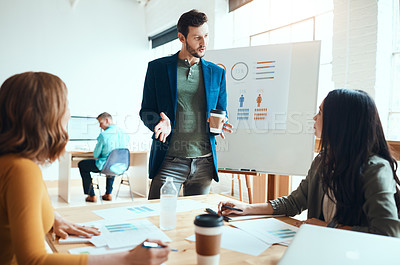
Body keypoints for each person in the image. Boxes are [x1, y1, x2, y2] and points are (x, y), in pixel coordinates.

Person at [0, 72, 170, 265]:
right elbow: (33, 261)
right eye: (65, 104)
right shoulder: (22, 170)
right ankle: (106, 192)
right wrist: (127, 259)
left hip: (103, 165)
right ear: (45, 114)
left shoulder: (12, 163)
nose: (69, 113)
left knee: (84, 165)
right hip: (120, 166)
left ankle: (91, 193)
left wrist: (51, 217)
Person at [219, 89, 400, 237]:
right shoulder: (323, 161)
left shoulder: (376, 170)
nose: (314, 118)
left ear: (340, 123)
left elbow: (388, 234)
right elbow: (294, 202)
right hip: (320, 247)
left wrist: (329, 227)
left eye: (320, 112)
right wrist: (246, 209)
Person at [140, 9, 233, 200]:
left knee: (194, 220)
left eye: (206, 36)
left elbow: (221, 110)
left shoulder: (217, 73)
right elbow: (146, 110)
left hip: (204, 162)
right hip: (169, 160)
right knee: (157, 216)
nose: (204, 43)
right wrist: (158, 121)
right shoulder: (157, 69)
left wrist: (220, 122)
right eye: (197, 37)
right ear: (182, 37)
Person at [78, 112, 129, 202]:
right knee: (112, 163)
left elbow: (96, 155)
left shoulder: (104, 135)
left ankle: (91, 195)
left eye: (100, 123)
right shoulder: (124, 133)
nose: (100, 126)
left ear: (107, 120)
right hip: (120, 166)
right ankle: (108, 194)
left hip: (105, 166)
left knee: (82, 164)